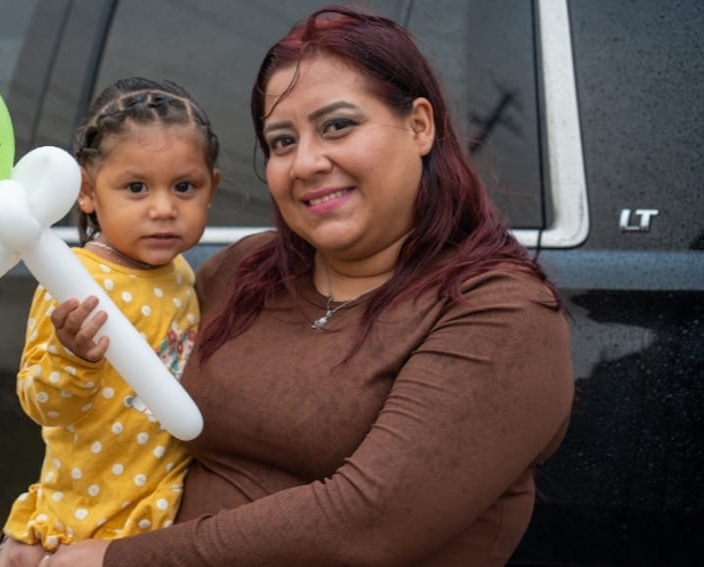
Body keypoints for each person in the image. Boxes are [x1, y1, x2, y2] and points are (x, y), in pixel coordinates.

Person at [42, 5, 574, 566]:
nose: (306, 163)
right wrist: (49, 534)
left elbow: (367, 525)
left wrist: (112, 561)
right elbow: (123, 429)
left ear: (420, 125)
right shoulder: (243, 272)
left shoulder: (502, 313)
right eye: (281, 141)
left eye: (338, 125)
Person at [0, 77, 221, 566]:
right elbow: (41, 403)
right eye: (136, 187)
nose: (163, 209)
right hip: (86, 520)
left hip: (159, 518)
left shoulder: (181, 274)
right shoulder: (71, 279)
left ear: (212, 188)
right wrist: (72, 356)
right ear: (87, 192)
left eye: (184, 187)